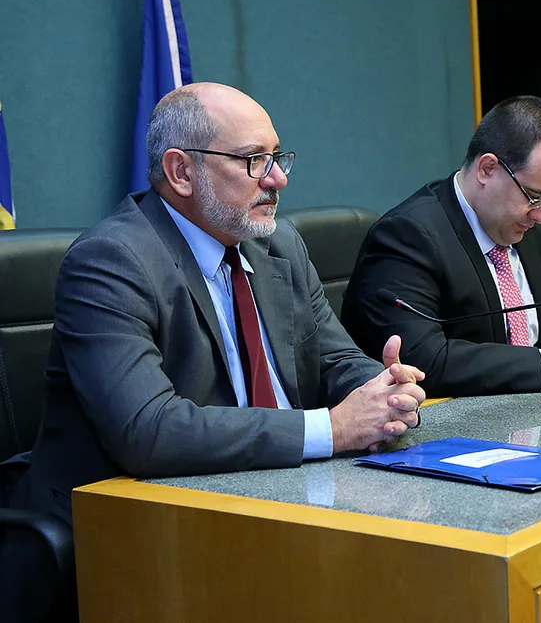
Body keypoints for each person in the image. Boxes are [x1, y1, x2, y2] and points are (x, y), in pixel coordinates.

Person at [0, 83, 426, 621]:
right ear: (180, 172)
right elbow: (148, 431)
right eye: (253, 161)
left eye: (277, 157)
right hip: (130, 523)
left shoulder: (278, 243)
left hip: (260, 493)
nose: (278, 178)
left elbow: (332, 357)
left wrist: (383, 391)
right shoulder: (113, 260)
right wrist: (334, 429)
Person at [342, 96, 541, 398]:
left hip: (535, 413)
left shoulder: (536, 230)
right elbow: (424, 360)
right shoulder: (408, 236)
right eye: (533, 196)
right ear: (487, 169)